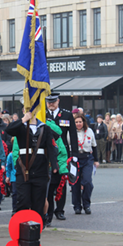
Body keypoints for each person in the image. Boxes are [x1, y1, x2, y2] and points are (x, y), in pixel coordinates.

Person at [5, 111, 59, 221]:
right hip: (24, 169)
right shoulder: (20, 127)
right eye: (26, 109)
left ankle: (37, 225)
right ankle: (23, 226)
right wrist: (23, 120)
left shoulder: (44, 128)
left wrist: (54, 165)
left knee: (38, 201)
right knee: (23, 199)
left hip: (40, 169)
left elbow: (51, 147)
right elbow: (8, 129)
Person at [45, 93, 77, 221]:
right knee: (49, 183)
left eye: (53, 101)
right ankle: (49, 211)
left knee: (61, 183)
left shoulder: (66, 115)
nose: (51, 104)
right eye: (49, 102)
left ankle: (60, 210)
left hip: (62, 154)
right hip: (48, 152)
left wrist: (74, 155)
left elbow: (73, 136)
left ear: (58, 101)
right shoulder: (43, 115)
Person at [69, 114, 98, 214]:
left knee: (87, 182)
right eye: (76, 122)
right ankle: (77, 206)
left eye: (80, 122)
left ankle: (86, 204)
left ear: (83, 122)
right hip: (75, 159)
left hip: (87, 158)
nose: (78, 124)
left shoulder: (89, 131)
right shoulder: (71, 132)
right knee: (75, 184)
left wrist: (96, 160)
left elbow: (94, 146)